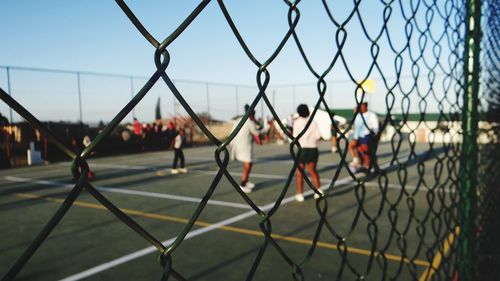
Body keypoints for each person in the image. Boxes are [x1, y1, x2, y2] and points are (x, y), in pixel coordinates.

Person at [293, 104, 322, 202]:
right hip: (313, 149)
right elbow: (318, 136)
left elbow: (294, 136)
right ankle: (318, 190)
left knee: (299, 173)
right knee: (312, 170)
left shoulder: (296, 122)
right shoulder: (313, 122)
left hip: (302, 149)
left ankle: (300, 193)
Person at [230, 104, 262, 193]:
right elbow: (258, 140)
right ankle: (243, 184)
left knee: (248, 163)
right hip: (244, 146)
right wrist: (259, 130)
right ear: (252, 115)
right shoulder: (250, 122)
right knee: (248, 164)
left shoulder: (238, 120)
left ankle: (246, 181)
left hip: (236, 145)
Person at [348, 102, 379, 174]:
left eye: (362, 106)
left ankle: (368, 167)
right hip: (357, 135)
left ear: (366, 106)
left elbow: (375, 127)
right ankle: (357, 161)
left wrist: (374, 134)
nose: (360, 108)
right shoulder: (358, 115)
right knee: (352, 147)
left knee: (365, 152)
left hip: (366, 135)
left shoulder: (371, 115)